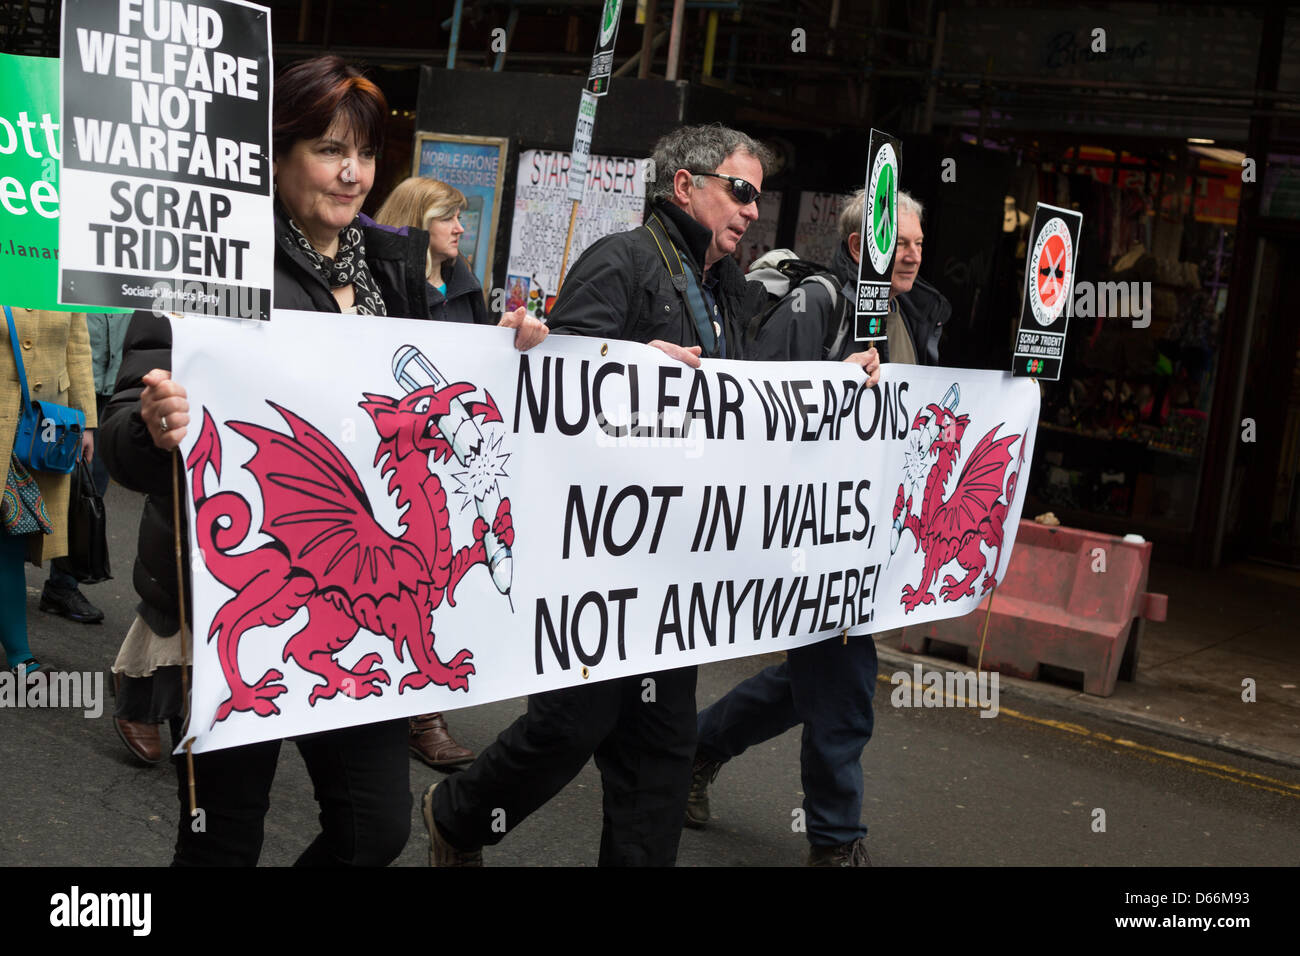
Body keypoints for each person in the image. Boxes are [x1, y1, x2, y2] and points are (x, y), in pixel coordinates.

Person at [99, 55, 544, 866]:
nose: (352, 174)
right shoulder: (212, 259)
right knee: (223, 836)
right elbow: (126, 424)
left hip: (369, 598)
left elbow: (456, 384)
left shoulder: (396, 265)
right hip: (241, 587)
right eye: (329, 150)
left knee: (375, 827)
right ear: (276, 154)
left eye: (367, 155)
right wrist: (155, 426)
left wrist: (527, 352)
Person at [419, 123, 881, 867]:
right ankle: (459, 816)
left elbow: (762, 391)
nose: (753, 211)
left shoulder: (726, 285)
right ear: (685, 186)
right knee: (572, 726)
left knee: (660, 756)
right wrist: (628, 362)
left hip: (670, 576)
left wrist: (840, 376)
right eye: (741, 191)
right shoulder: (622, 261)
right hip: (597, 566)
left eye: (758, 197)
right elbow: (557, 392)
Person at [687, 188, 939, 867]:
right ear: (863, 245)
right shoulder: (821, 302)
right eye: (902, 242)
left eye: (919, 242)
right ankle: (836, 841)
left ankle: (697, 747)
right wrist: (835, 381)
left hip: (868, 532)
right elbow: (764, 399)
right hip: (810, 532)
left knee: (814, 680)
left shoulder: (909, 313)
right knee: (844, 680)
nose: (914, 253)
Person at [372, 175, 502, 770]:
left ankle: (420, 710)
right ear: (416, 222)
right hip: (395, 451)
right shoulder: (382, 282)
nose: (459, 228)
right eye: (448, 217)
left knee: (426, 580)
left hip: (445, 460)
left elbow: (475, 371)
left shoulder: (466, 287)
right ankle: (149, 686)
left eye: (460, 217)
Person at [1, 307, 97, 672]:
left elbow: (77, 347)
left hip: (39, 431)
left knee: (11, 535)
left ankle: (19, 654)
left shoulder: (58, 262)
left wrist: (85, 421)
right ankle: (19, 653)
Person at [37, 313, 126, 625]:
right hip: (59, 389)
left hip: (115, 392)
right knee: (30, 486)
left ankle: (62, 586)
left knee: (86, 497)